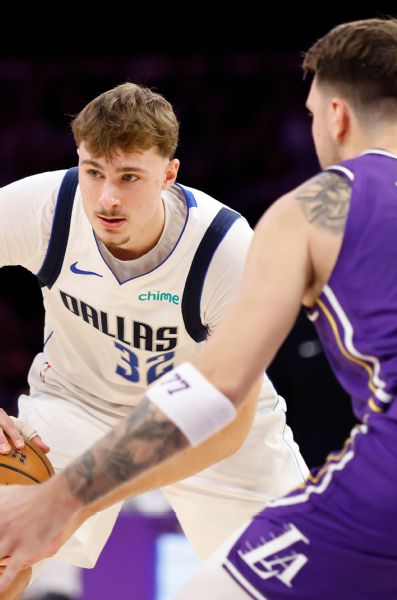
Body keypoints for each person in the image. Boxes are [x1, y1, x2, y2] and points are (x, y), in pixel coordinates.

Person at [0, 82, 308, 597]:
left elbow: (229, 430)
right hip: (79, 402)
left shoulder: (227, 250)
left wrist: (76, 494)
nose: (107, 197)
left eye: (129, 176)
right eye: (93, 172)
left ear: (168, 174)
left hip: (203, 419)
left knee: (298, 582)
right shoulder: (44, 206)